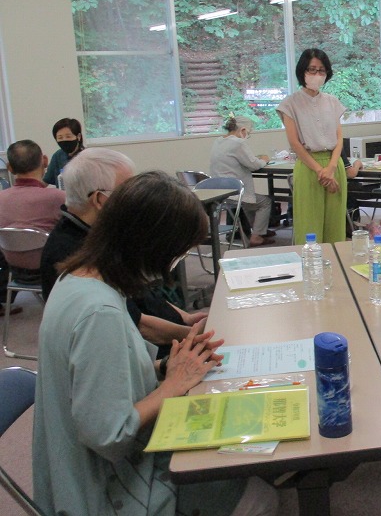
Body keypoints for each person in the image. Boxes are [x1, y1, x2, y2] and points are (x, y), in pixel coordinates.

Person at [33, 170, 277, 516]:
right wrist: (172, 387)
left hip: (78, 467)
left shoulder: (77, 278)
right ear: (151, 246)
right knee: (258, 495)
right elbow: (110, 436)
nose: (171, 266)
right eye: (176, 254)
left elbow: (96, 377)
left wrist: (166, 367)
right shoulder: (99, 313)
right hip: (107, 488)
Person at [40, 148, 204, 357]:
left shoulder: (100, 237)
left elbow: (141, 291)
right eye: (128, 191)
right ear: (100, 200)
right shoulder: (73, 254)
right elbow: (140, 325)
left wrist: (184, 317)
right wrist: (192, 335)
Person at [277, 48, 347, 244]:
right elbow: (294, 143)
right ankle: (310, 271)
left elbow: (339, 138)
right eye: (312, 70)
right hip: (309, 166)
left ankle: (335, 269)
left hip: (334, 164)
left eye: (321, 70)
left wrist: (331, 168)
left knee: (335, 225)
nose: (317, 75)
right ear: (303, 72)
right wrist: (320, 170)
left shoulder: (332, 102)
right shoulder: (290, 104)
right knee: (309, 225)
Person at [0, 139, 65, 277]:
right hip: (51, 266)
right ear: (45, 161)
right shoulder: (58, 197)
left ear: (9, 168)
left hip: (12, 266)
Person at [210, 115, 275, 246]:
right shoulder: (238, 143)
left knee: (251, 202)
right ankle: (256, 235)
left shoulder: (218, 141)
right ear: (243, 130)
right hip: (236, 193)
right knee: (265, 202)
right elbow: (254, 165)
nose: (247, 136)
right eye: (248, 133)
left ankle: (256, 230)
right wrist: (265, 159)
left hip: (220, 193)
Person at [43, 117, 84, 186]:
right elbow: (45, 182)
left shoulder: (87, 156)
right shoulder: (58, 156)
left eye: (68, 136)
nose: (64, 140)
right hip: (62, 196)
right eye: (60, 137)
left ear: (78, 136)